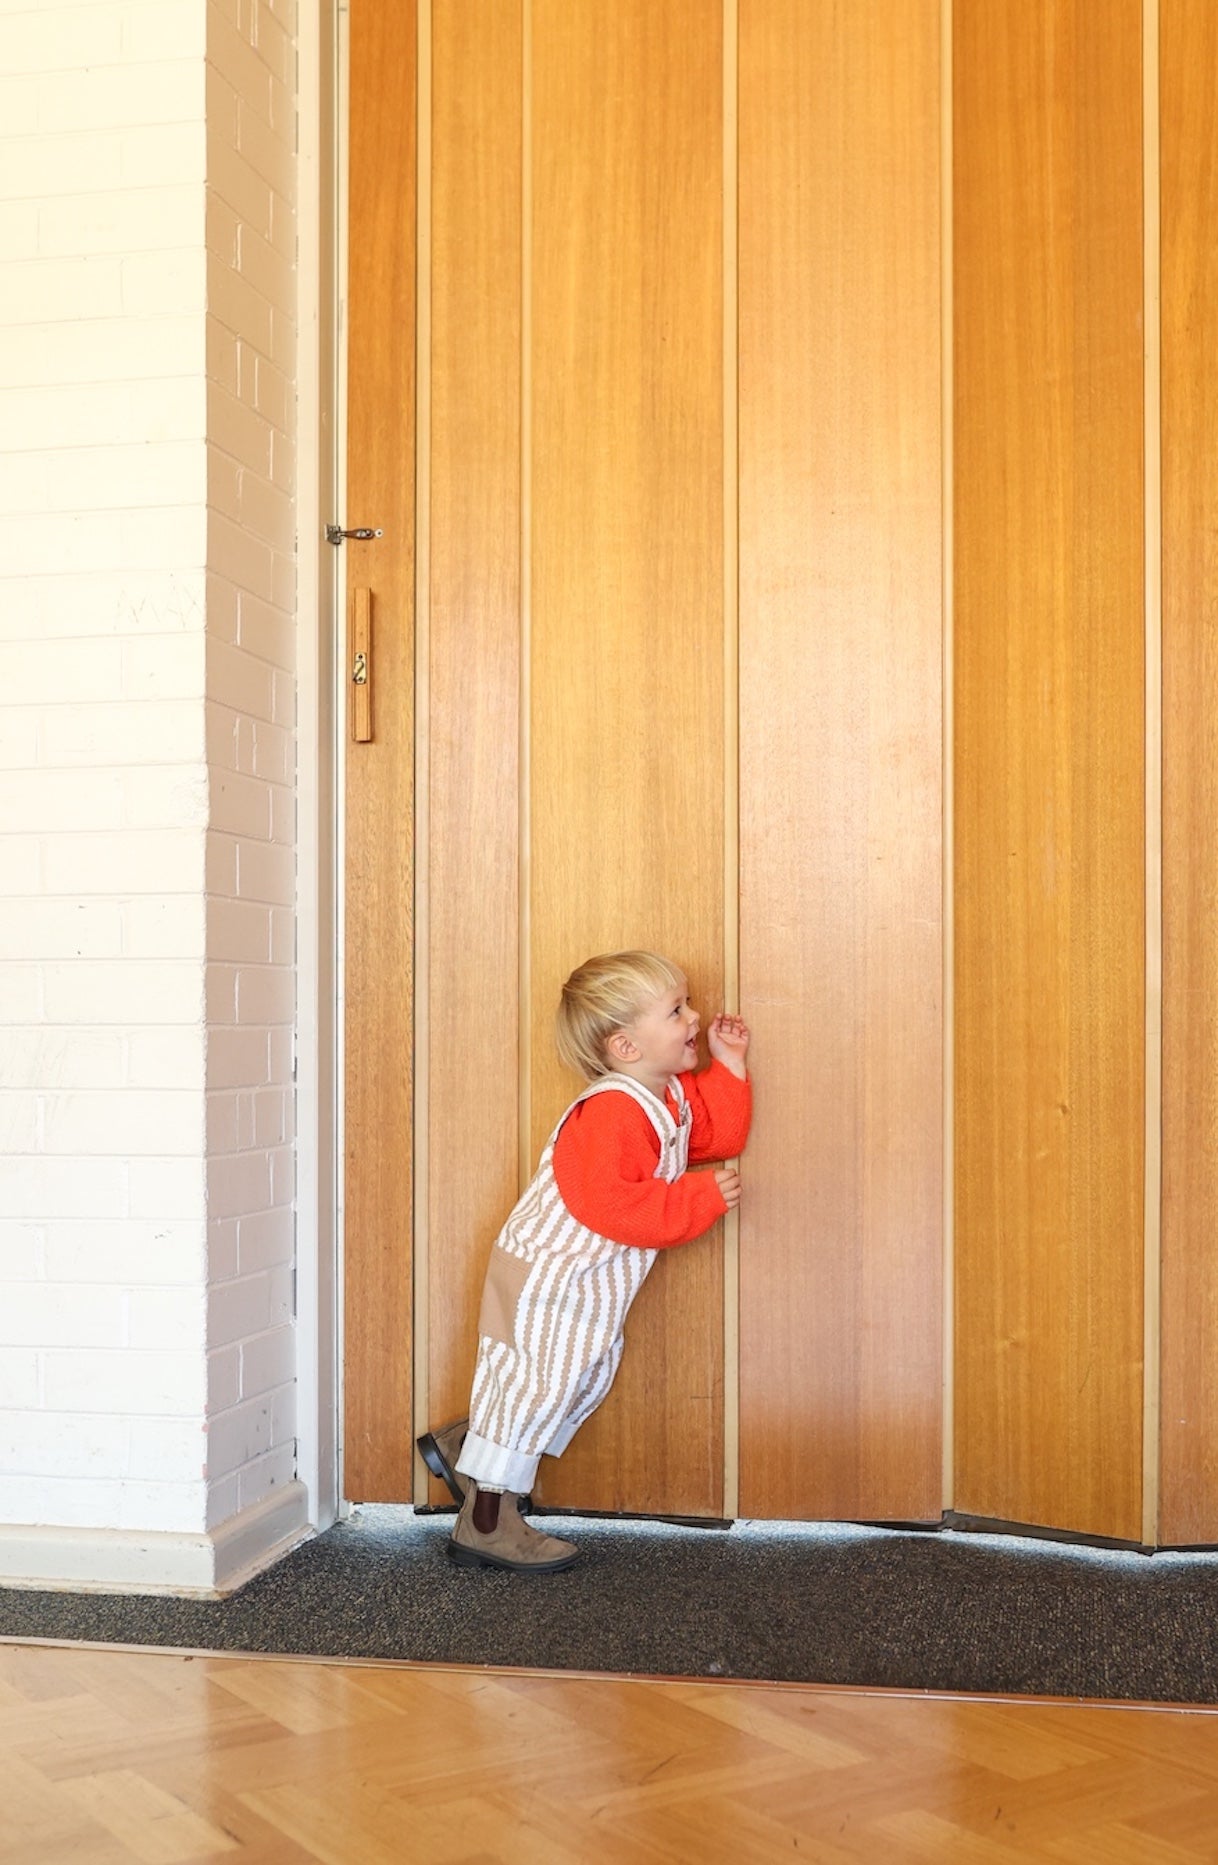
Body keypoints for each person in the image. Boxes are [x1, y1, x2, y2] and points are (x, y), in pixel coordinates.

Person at [417, 949, 752, 1574]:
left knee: (579, 1376)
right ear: (626, 1046)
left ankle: (469, 1446)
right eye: (677, 1010)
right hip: (548, 1277)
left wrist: (729, 1067)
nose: (695, 1017)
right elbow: (611, 1206)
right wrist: (697, 1198)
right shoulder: (610, 1111)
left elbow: (712, 1134)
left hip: (586, 1281)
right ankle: (486, 1522)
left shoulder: (665, 1096)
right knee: (539, 1380)